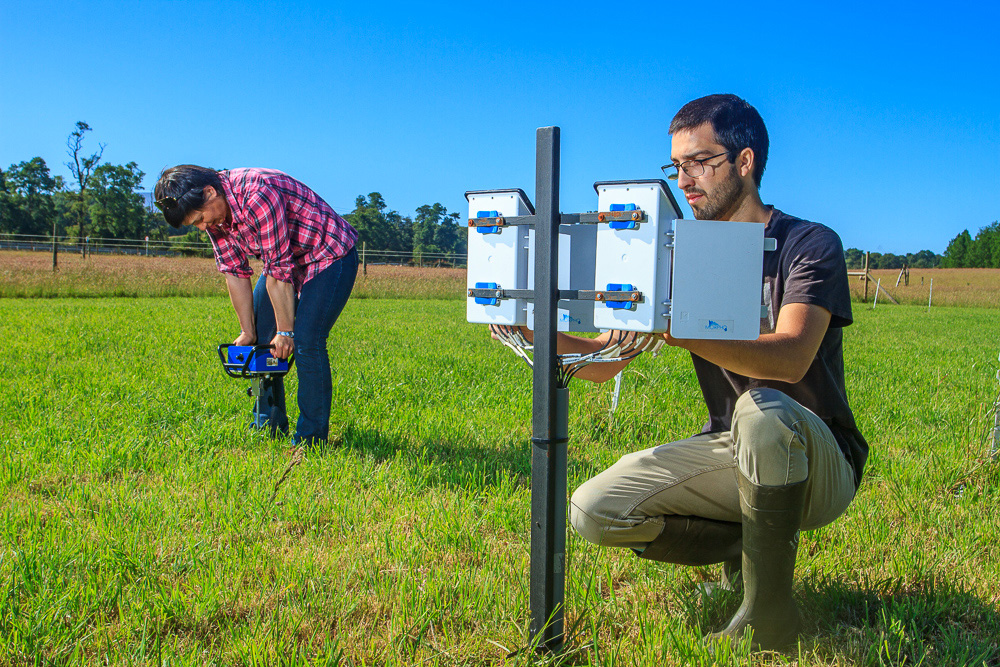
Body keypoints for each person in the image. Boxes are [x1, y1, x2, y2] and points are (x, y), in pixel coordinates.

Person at [503, 94, 868, 651]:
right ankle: (742, 551)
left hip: (817, 458)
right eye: (676, 167)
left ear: (744, 162)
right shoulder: (679, 257)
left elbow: (791, 357)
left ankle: (768, 613)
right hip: (731, 449)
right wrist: (533, 332)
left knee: (760, 409)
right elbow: (606, 361)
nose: (685, 180)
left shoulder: (807, 243)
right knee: (595, 510)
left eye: (700, 162)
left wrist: (680, 327)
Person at [154, 165, 358, 447]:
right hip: (287, 261)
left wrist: (286, 331)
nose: (203, 227)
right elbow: (234, 272)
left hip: (328, 254)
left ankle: (311, 440)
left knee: (307, 341)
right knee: (261, 342)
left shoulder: (256, 194)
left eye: (201, 219)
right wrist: (247, 331)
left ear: (210, 192)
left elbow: (278, 270)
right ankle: (269, 427)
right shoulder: (216, 215)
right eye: (195, 224)